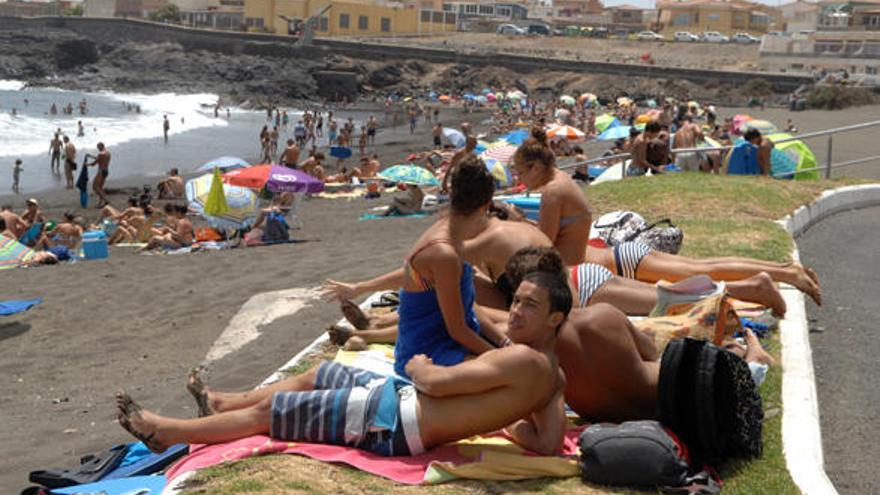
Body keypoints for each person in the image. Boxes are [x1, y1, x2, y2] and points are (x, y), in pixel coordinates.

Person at [116, 270, 570, 457]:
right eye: (517, 301)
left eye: (529, 306)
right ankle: (219, 402)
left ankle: (168, 432)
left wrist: (419, 364)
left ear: (556, 318)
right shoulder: (551, 375)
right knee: (321, 374)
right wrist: (505, 417)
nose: (514, 311)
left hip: (393, 422)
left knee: (267, 417)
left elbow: (438, 384)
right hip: (396, 409)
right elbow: (549, 441)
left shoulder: (522, 360)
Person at [512, 126, 592, 266]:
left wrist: (517, 221)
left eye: (521, 173)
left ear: (536, 168)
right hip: (576, 264)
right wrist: (521, 220)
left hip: (566, 272)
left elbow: (543, 244)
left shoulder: (552, 192)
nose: (519, 180)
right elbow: (551, 232)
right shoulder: (563, 179)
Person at [85, 143, 111, 208]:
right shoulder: (108, 153)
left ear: (100, 146)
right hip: (106, 171)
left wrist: (86, 164)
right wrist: (91, 156)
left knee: (95, 187)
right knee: (100, 188)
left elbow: (94, 164)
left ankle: (106, 200)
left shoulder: (100, 154)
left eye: (98, 147)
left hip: (101, 171)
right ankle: (100, 203)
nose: (98, 149)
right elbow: (99, 159)